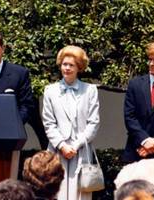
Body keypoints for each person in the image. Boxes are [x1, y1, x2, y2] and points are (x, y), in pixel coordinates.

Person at [42, 45, 100, 200]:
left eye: (71, 65)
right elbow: (48, 122)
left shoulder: (90, 90)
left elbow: (93, 123)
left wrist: (75, 146)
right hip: (57, 151)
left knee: (81, 194)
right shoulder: (50, 90)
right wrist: (62, 145)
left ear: (79, 67)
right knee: (57, 193)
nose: (67, 68)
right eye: (64, 64)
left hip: (81, 150)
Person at [123, 39, 154, 166]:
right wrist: (144, 140)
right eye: (150, 59)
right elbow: (130, 117)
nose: (151, 63)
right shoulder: (135, 84)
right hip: (136, 153)